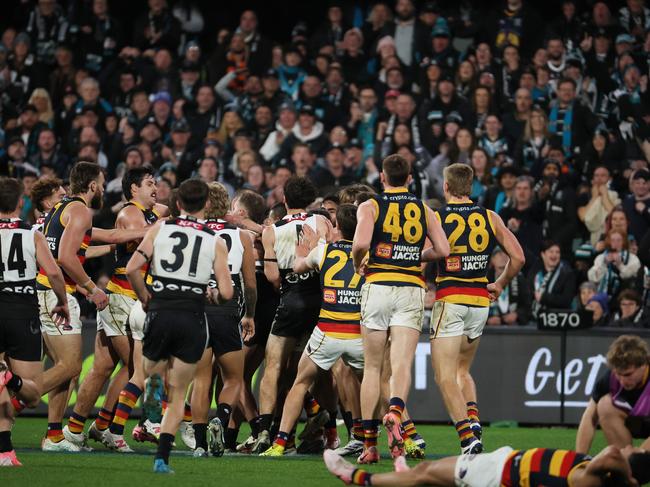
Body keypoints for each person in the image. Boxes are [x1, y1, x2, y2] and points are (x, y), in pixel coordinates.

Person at [37, 161, 146, 452]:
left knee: (75, 369)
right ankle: (17, 396)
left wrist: (145, 232)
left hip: (48, 292)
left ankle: (57, 435)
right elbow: (67, 257)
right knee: (71, 366)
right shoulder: (81, 210)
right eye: (102, 180)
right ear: (94, 186)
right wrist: (92, 288)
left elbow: (107, 237)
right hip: (55, 293)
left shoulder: (63, 208)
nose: (104, 186)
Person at [125, 178, 233, 473]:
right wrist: (210, 294)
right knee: (178, 393)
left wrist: (145, 297)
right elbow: (227, 292)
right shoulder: (215, 240)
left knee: (149, 371)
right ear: (207, 204)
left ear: (179, 204)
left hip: (160, 308)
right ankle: (161, 459)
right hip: (192, 314)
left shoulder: (160, 228)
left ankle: (151, 383)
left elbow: (133, 267)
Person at [352, 154, 449, 462]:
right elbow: (444, 249)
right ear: (410, 178)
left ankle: (369, 445)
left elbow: (359, 245)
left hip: (377, 285)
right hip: (410, 288)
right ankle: (395, 410)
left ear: (382, 177)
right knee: (401, 365)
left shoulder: (369, 206)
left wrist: (359, 266)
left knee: (372, 368)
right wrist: (417, 255)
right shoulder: (423, 209)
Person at [64, 167, 169, 452]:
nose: (155, 187)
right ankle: (132, 423)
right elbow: (148, 234)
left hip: (127, 299)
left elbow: (163, 210)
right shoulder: (129, 213)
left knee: (103, 367)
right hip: (121, 297)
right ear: (133, 189)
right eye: (149, 183)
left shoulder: (152, 213)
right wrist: (166, 224)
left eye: (156, 182)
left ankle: (79, 429)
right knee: (140, 367)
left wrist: (164, 217)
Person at [426, 163, 525, 454]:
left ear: (446, 187)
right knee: (462, 370)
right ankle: (473, 418)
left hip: (451, 300)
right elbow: (518, 258)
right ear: (471, 187)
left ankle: (468, 438)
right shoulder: (489, 216)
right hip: (480, 303)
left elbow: (423, 256)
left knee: (443, 376)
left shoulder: (437, 216)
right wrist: (500, 284)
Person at [261, 204, 364, 457]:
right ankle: (381, 435)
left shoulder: (324, 251)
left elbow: (297, 267)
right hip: (358, 333)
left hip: (328, 331)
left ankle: (280, 442)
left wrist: (303, 249)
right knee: (377, 383)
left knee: (300, 382)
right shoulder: (368, 255)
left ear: (337, 227)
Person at [252, 176, 332, 453]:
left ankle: (264, 430)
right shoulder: (322, 223)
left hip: (290, 298)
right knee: (314, 372)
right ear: (311, 201)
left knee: (273, 368)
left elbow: (272, 275)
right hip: (320, 300)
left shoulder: (271, 231)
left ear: (284, 199)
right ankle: (329, 428)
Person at [0, 177, 69, 467]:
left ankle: (4, 452)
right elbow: (53, 272)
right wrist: (63, 301)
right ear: (20, 202)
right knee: (29, 392)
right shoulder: (32, 234)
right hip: (21, 310)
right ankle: (10, 380)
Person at [191, 182, 257, 457]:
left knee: (201, 380)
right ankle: (222, 416)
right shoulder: (241, 236)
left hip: (197, 311)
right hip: (227, 311)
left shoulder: (193, 233)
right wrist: (250, 315)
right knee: (233, 378)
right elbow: (250, 285)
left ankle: (199, 444)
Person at [323, 444, 650, 487]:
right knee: (422, 476)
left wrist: (630, 479)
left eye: (629, 449)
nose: (620, 446)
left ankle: (356, 477)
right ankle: (404, 478)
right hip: (505, 461)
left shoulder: (598, 479)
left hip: (496, 474)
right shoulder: (604, 475)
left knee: (424, 475)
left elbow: (612, 455)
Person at [576, 335, 650, 454]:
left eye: (628, 375)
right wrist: (579, 458)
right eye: (618, 374)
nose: (622, 381)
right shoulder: (610, 378)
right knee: (605, 405)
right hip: (638, 422)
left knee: (639, 463)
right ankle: (625, 465)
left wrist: (640, 455)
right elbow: (589, 417)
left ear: (643, 365)